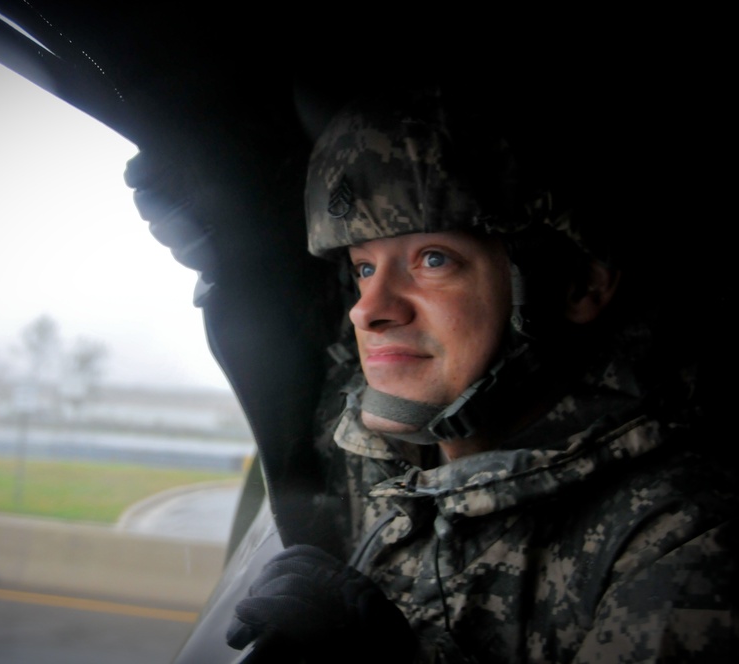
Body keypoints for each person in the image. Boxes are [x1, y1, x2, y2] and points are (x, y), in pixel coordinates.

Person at [128, 90, 737, 662]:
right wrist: (249, 256)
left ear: (577, 285)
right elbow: (307, 332)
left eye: (433, 260)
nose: (370, 309)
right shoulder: (373, 446)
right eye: (363, 268)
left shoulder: (679, 534)